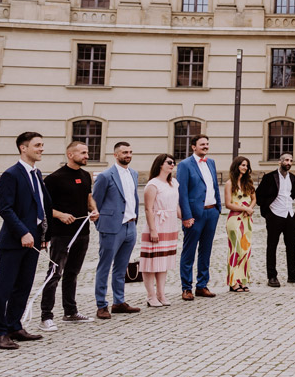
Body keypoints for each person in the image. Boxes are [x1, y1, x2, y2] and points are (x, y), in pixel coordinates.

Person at [0, 131, 52, 349]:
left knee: (24, 286)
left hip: (34, 240)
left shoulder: (36, 173)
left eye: (42, 145)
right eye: (37, 145)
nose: (41, 148)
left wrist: (43, 236)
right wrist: (23, 232)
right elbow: (5, 209)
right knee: (4, 288)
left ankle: (14, 326)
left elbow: (41, 206)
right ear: (23, 148)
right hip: (14, 241)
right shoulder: (12, 174)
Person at [39, 140, 99, 330]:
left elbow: (88, 199)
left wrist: (94, 210)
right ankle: (46, 316)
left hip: (82, 232)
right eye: (82, 153)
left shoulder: (86, 175)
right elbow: (44, 207)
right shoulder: (54, 179)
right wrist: (60, 215)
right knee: (55, 273)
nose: (86, 156)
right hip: (61, 234)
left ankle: (70, 311)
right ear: (70, 155)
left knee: (72, 273)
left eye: (87, 153)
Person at [92, 141, 141, 319]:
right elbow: (95, 201)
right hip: (112, 227)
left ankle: (118, 301)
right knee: (104, 266)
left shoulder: (133, 174)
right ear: (115, 155)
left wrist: (134, 220)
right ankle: (101, 304)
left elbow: (133, 198)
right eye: (124, 152)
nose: (128, 155)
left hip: (130, 225)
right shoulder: (106, 176)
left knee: (121, 267)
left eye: (130, 151)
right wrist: (100, 224)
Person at [176, 134, 222, 300]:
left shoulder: (211, 162)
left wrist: (218, 207)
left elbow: (214, 186)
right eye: (202, 144)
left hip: (211, 212)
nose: (205, 146)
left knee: (206, 250)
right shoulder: (185, 165)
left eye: (207, 144)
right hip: (195, 214)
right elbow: (182, 193)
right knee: (189, 251)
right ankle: (186, 287)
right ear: (193, 147)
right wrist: (186, 216)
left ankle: (202, 285)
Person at [257, 153, 295, 288]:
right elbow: (259, 195)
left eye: (290, 160)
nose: (289, 162)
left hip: (289, 215)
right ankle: (272, 276)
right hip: (275, 215)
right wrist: (268, 212)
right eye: (286, 160)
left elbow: (293, 194)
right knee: (272, 246)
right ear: (280, 162)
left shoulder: (292, 177)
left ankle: (292, 274)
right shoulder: (269, 177)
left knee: (291, 246)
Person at [139, 153, 181, 306]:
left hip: (170, 224)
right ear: (160, 164)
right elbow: (148, 209)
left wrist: (184, 217)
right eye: (169, 162)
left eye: (173, 162)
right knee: (151, 262)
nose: (172, 165)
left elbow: (175, 204)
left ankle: (161, 294)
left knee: (163, 261)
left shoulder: (174, 183)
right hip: (157, 222)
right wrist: (153, 230)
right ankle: (151, 296)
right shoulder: (153, 184)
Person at [224, 156, 257, 292]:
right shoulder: (229, 183)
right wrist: (245, 208)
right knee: (236, 250)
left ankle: (243, 279)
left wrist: (250, 208)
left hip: (247, 219)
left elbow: (254, 199)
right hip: (235, 219)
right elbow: (228, 204)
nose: (245, 167)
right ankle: (233, 281)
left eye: (247, 165)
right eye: (243, 165)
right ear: (237, 166)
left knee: (245, 250)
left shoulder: (248, 183)